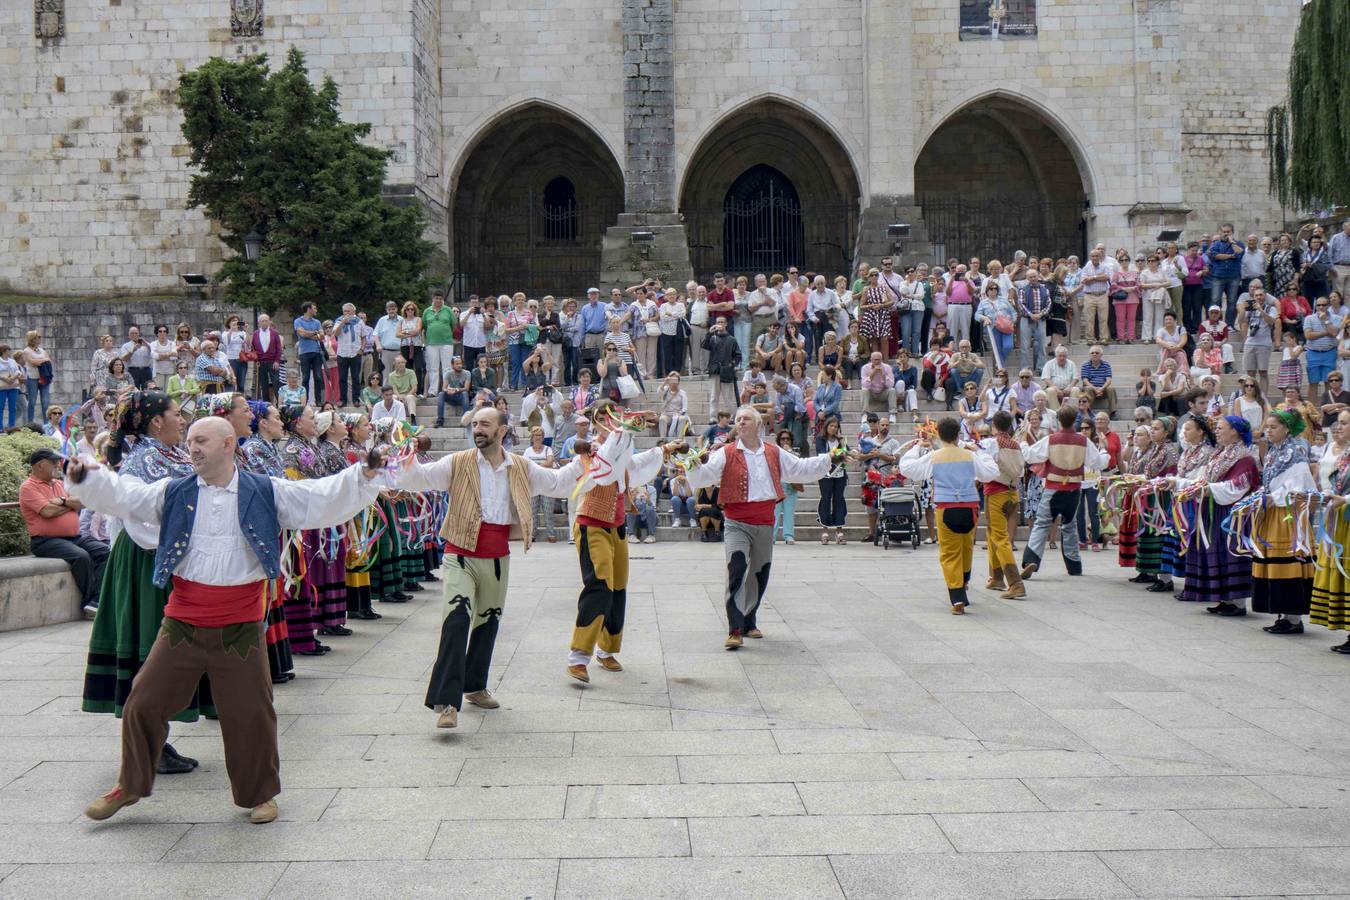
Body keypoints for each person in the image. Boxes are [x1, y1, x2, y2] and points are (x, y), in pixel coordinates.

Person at [69, 416, 387, 825]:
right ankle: (131, 785)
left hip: (240, 626)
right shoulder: (174, 490)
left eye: (201, 440)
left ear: (227, 444)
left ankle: (260, 795)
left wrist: (366, 471)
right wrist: (88, 478)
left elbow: (320, 497)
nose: (192, 447)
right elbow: (126, 496)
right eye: (189, 441)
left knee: (251, 714)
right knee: (141, 703)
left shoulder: (264, 490)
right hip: (182, 622)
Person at [391, 407, 583, 724]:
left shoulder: (520, 466)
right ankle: (446, 703)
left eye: (485, 424)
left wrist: (586, 460)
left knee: (488, 623)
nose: (478, 429)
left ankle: (475, 685)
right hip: (460, 554)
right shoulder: (458, 462)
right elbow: (419, 479)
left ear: (502, 431)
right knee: (456, 621)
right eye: (475, 424)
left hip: (496, 557)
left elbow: (557, 483)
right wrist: (404, 453)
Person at [684, 405, 839, 648]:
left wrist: (829, 458)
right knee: (736, 569)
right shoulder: (726, 452)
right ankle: (734, 629)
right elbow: (703, 476)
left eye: (746, 418)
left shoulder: (773, 451)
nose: (741, 422)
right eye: (738, 419)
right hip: (736, 522)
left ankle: (749, 620)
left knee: (760, 573)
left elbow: (799, 469)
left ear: (759, 424)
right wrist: (692, 463)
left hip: (766, 521)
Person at [898, 417, 1001, 614]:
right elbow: (991, 472)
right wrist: (979, 451)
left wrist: (917, 447)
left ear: (939, 435)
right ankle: (964, 582)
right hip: (970, 507)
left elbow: (908, 468)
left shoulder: (935, 456)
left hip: (946, 507)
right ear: (957, 435)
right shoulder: (968, 455)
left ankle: (957, 597)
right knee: (966, 548)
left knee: (949, 553)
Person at [1020, 404, 1109, 579]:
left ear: (1058, 420)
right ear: (1074, 421)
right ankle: (1074, 566)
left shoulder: (1051, 439)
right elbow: (1100, 463)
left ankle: (1031, 559)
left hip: (1053, 487)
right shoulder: (1084, 441)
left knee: (1042, 524)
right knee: (1070, 526)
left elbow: (1030, 456)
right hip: (1074, 490)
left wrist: (1023, 440)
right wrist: (1104, 448)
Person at [1249, 410, 1315, 634]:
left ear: (1286, 429)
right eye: (1267, 427)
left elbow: (1298, 488)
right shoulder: (1272, 453)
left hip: (1287, 515)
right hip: (1272, 512)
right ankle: (1283, 614)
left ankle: (1293, 617)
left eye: (1273, 427)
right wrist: (1261, 495)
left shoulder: (1294, 453)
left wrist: (1272, 497)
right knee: (1274, 562)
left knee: (1288, 562)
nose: (1268, 431)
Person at [21, 446, 107, 616]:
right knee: (81, 556)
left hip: (73, 537)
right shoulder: (28, 487)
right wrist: (69, 504)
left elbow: (81, 502)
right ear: (40, 465)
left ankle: (98, 600)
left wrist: (61, 501)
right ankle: (90, 602)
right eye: (53, 462)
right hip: (45, 541)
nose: (58, 465)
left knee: (105, 551)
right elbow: (47, 511)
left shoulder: (59, 483)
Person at [979, 411, 1027, 599]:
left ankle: (1015, 583)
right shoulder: (1016, 444)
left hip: (995, 492)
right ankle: (996, 577)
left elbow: (982, 464)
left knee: (999, 537)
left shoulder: (991, 442)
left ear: (994, 426)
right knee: (993, 535)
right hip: (1013, 492)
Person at [1239, 280, 1280, 395]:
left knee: (1263, 372)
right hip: (1250, 342)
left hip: (1264, 344)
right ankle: (1249, 394)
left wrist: (1260, 310)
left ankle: (1263, 396)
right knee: (1250, 373)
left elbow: (1271, 322)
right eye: (1256, 295)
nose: (1259, 297)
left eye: (1261, 295)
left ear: (1265, 296)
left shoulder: (1271, 308)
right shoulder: (1250, 308)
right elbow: (1241, 321)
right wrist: (1242, 309)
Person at [815, 415, 849, 545]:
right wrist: (840, 454)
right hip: (825, 474)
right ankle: (825, 529)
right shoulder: (820, 439)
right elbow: (822, 454)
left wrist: (843, 445)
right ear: (826, 426)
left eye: (836, 426)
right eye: (831, 426)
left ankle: (839, 530)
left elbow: (847, 454)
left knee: (839, 499)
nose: (833, 429)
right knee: (826, 498)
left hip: (840, 474)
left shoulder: (841, 440)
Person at [703, 319, 741, 412]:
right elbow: (704, 345)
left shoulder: (732, 339)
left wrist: (731, 365)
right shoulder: (713, 338)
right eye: (718, 322)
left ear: (726, 324)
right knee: (713, 397)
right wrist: (709, 333)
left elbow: (738, 355)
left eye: (721, 322)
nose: (720, 324)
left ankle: (730, 416)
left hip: (727, 372)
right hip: (715, 371)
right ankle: (713, 418)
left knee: (728, 397)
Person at [771, 430, 801, 544]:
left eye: (787, 439)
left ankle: (788, 536)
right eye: (783, 439)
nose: (785, 441)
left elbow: (798, 463)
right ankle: (772, 537)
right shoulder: (774, 452)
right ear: (779, 440)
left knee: (789, 513)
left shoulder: (795, 453)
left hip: (791, 486)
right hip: (777, 486)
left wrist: (789, 451)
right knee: (775, 513)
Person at [250, 313, 283, 402]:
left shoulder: (274, 333)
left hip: (273, 362)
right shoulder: (255, 334)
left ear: (269, 322)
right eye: (262, 321)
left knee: (276, 383)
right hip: (261, 363)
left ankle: (279, 403)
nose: (264, 322)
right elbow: (253, 348)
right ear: (259, 323)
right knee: (264, 384)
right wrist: (256, 359)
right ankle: (266, 404)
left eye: (266, 321)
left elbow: (279, 348)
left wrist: (277, 361)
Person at [435, 356, 471, 428]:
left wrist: (456, 390)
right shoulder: (448, 374)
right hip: (451, 396)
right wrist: (448, 390)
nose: (459, 365)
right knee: (441, 394)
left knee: (464, 393)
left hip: (462, 397)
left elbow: (466, 388)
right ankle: (440, 420)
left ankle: (466, 420)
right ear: (452, 365)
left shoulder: (467, 373)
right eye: (457, 364)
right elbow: (443, 388)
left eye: (460, 363)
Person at [385, 355, 418, 423]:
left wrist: (405, 396)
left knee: (410, 397)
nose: (401, 364)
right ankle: (393, 419)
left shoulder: (411, 372)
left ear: (405, 363)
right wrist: (400, 396)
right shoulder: (391, 375)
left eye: (403, 362)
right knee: (393, 397)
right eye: (399, 363)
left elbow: (414, 388)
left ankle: (413, 418)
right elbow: (393, 389)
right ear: (395, 365)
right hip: (398, 396)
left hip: (409, 394)